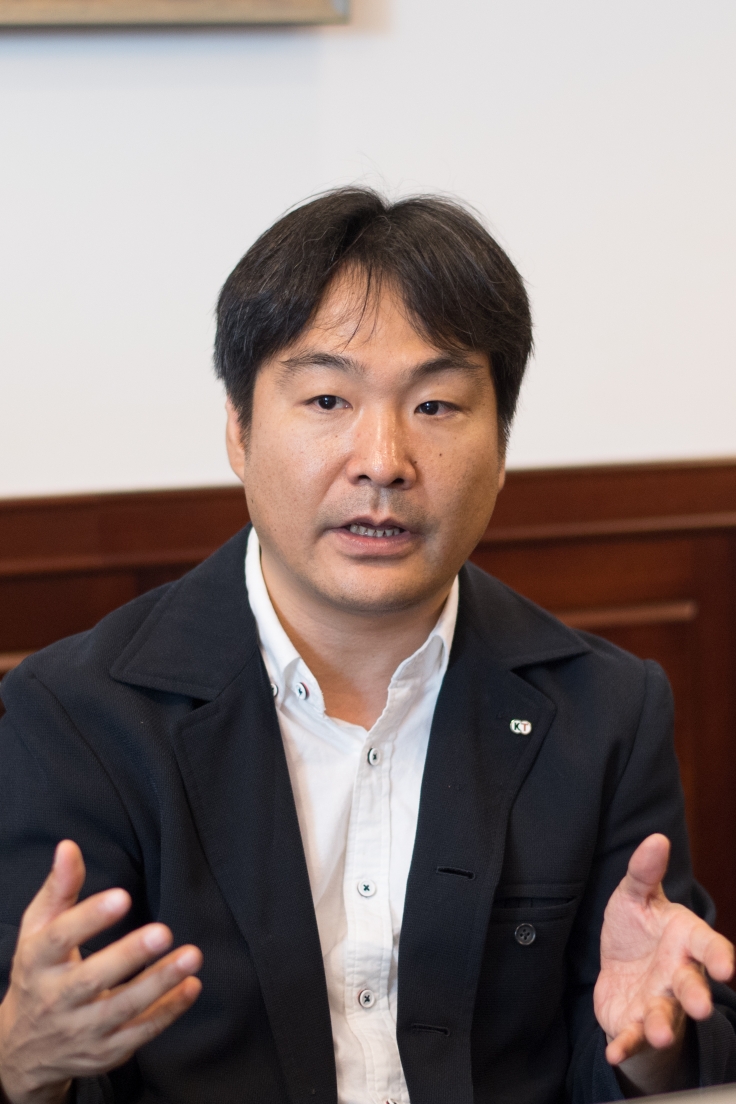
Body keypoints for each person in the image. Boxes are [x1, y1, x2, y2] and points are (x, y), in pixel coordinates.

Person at [1, 188, 735, 1104]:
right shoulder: (79, 716)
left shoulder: (605, 710)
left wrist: (650, 1047)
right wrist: (22, 1065)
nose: (383, 459)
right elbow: (50, 1054)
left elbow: (655, 1037)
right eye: (327, 398)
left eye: (435, 405)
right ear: (238, 430)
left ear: (502, 447)